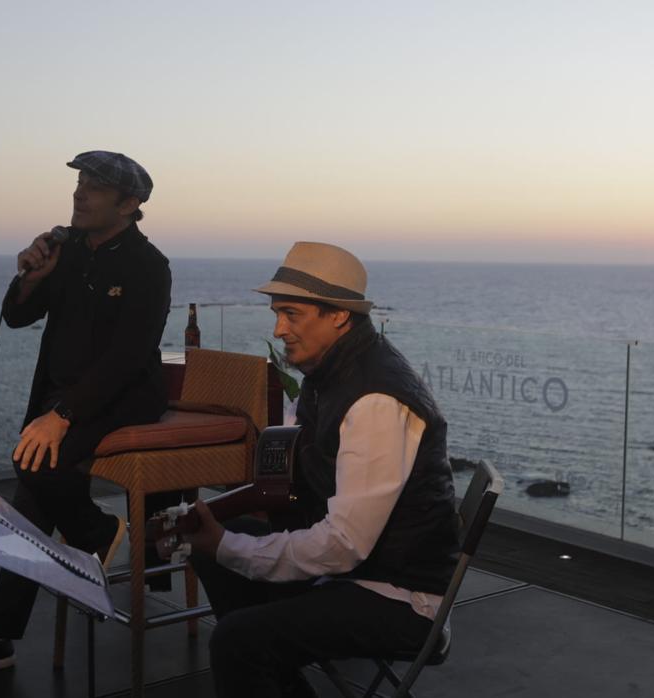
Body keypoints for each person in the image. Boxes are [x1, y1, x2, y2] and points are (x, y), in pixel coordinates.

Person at [186, 242, 461, 698]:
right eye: (277, 313)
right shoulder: (331, 372)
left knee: (238, 640)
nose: (278, 329)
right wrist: (225, 539)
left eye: (292, 314)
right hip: (363, 571)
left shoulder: (375, 399)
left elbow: (344, 544)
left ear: (338, 315)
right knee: (216, 549)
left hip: (400, 596)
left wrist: (232, 548)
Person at [0, 151, 173, 678]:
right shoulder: (65, 251)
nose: (80, 192)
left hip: (124, 396)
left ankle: (95, 531)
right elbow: (17, 316)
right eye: (80, 182)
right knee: (33, 493)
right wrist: (31, 276)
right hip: (62, 398)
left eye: (95, 186)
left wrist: (63, 414)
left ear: (130, 203)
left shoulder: (148, 265)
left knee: (34, 465)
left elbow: (128, 356)